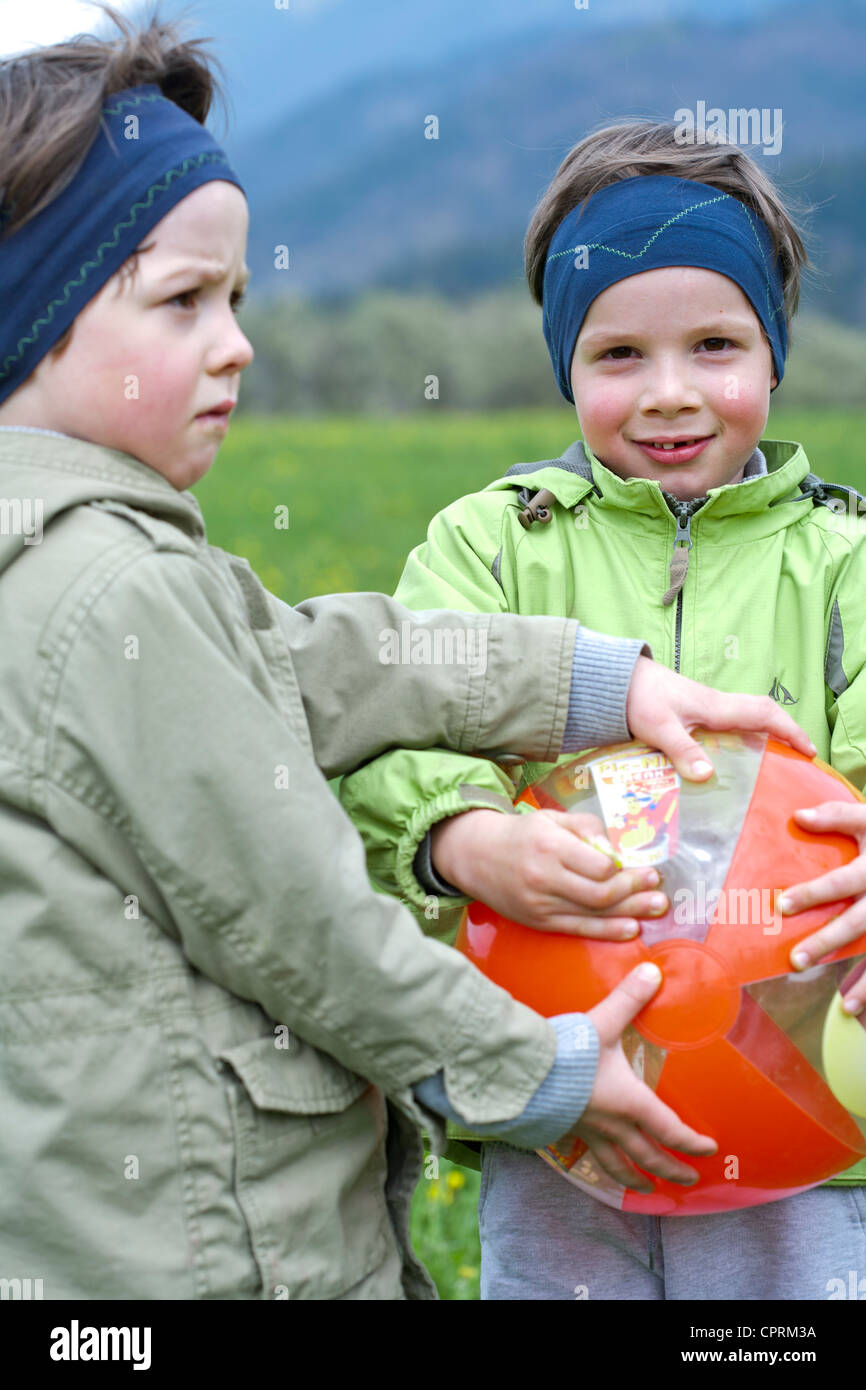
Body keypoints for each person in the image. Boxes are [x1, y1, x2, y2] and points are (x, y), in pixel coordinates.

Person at [0, 8, 813, 1302]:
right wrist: (520, 1056)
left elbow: (322, 657)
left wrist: (588, 683)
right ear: (32, 313)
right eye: (183, 303)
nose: (237, 343)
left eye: (240, 299)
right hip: (203, 1242)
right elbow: (298, 918)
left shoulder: (89, 564)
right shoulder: (110, 594)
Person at [340, 118, 866, 1299]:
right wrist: (461, 837)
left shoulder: (845, 561)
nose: (669, 395)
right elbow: (389, 715)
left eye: (715, 344)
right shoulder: (489, 547)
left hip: (799, 1123)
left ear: (773, 356)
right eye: (617, 354)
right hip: (556, 1096)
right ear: (565, 368)